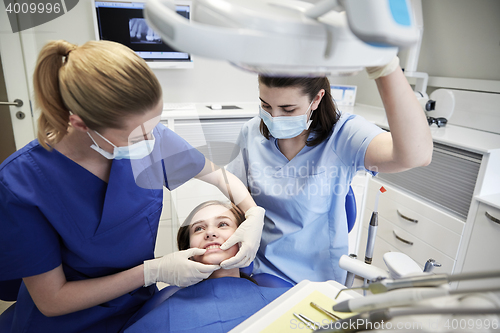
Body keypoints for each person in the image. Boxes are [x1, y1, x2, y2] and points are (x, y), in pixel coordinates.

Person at [0, 40, 265, 333]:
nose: (152, 142)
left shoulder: (153, 138)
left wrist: (253, 213)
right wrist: (154, 271)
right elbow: (52, 301)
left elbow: (218, 176)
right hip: (67, 322)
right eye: (137, 136)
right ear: (80, 123)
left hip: (140, 310)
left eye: (154, 125)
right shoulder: (22, 183)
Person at [226, 57, 434, 285]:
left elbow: (416, 155)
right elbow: (235, 197)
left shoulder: (344, 134)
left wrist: (386, 69)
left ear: (316, 99)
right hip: (253, 267)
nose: (273, 118)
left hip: (313, 279)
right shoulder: (251, 132)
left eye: (288, 109)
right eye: (266, 105)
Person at [123, 200, 290, 333]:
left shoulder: (274, 289)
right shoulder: (166, 301)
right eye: (199, 228)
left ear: (247, 238)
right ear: (187, 249)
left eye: (222, 224)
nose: (210, 233)